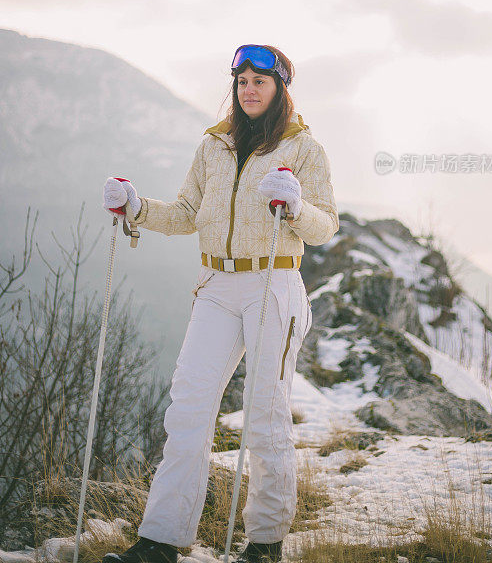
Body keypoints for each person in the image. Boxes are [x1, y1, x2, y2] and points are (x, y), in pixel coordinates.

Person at [101, 44, 339, 563]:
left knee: (265, 413)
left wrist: (296, 205)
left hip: (273, 286)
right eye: (242, 80)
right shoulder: (214, 146)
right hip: (216, 285)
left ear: (280, 89)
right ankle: (161, 539)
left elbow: (326, 226)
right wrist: (137, 207)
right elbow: (188, 212)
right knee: (187, 405)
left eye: (260, 81)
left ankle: (266, 541)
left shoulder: (304, 149)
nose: (249, 88)